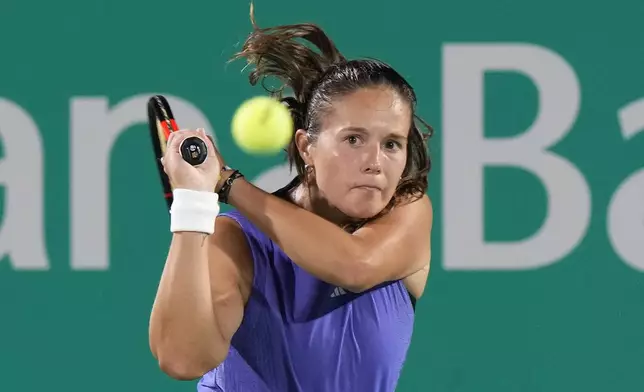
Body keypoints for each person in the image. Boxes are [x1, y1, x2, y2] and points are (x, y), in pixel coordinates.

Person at [148, 6, 434, 392]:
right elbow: (183, 360)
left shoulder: (407, 211)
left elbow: (356, 264)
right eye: (353, 139)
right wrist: (192, 209)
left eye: (392, 144)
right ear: (307, 147)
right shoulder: (236, 239)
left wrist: (230, 183)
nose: (375, 162)